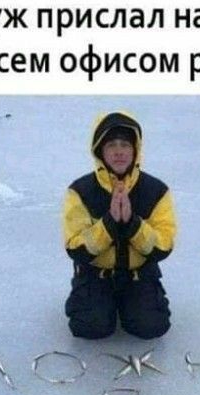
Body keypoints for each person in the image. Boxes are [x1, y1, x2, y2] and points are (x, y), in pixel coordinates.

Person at [63, 111, 177, 340]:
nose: (118, 151)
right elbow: (74, 247)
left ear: (135, 150)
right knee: (89, 328)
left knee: (151, 327)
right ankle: (91, 298)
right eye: (111, 145)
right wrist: (109, 223)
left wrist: (133, 224)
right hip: (96, 274)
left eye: (125, 144)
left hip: (139, 274)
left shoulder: (156, 191)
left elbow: (163, 247)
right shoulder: (80, 191)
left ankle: (136, 302)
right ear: (99, 151)